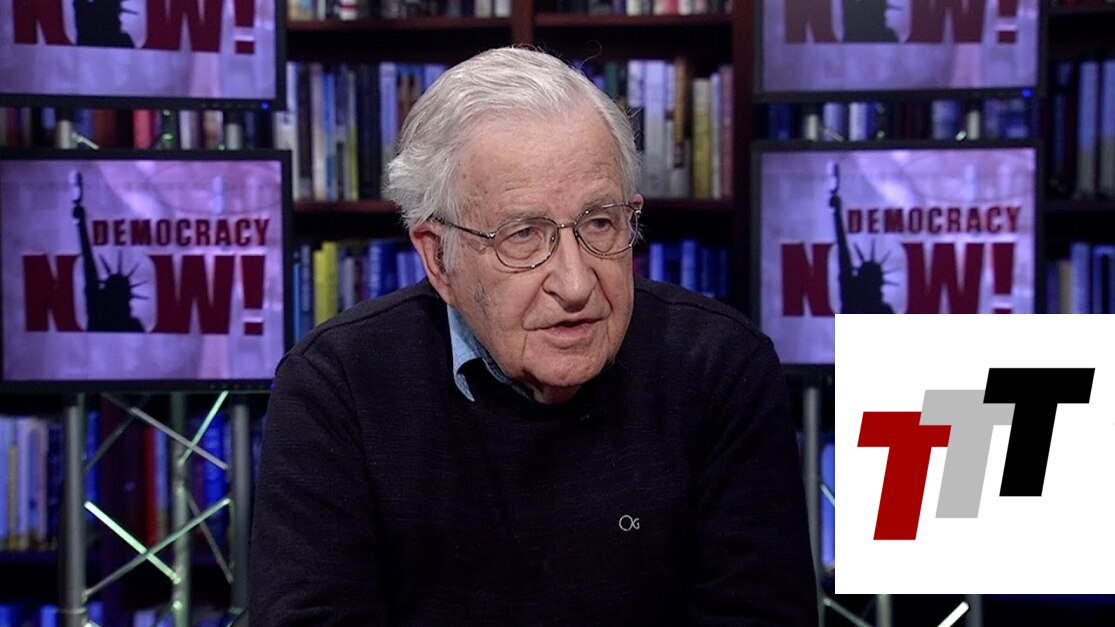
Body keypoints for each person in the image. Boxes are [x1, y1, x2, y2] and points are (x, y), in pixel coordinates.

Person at [249, 46, 818, 625]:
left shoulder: (721, 367)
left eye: (600, 223)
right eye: (523, 235)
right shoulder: (336, 388)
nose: (575, 284)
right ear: (439, 258)